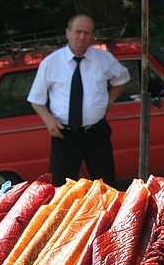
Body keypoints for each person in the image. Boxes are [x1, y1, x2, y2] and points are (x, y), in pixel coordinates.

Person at [27, 14, 131, 187]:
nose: (82, 37)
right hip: (65, 136)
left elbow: (122, 79)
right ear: (68, 33)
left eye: (87, 33)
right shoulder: (51, 63)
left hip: (97, 134)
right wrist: (49, 121)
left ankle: (106, 214)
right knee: (59, 189)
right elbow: (36, 99)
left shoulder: (104, 59)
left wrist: (109, 102)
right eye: (78, 32)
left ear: (92, 36)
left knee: (107, 187)